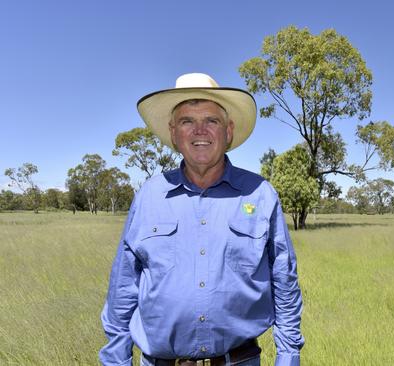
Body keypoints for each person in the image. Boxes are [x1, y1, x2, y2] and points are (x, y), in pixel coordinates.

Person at [99, 73, 304, 366]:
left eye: (211, 120)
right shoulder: (149, 196)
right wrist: (116, 361)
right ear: (173, 132)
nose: (200, 131)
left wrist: (288, 358)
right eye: (187, 121)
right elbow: (123, 288)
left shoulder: (260, 195)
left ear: (228, 130)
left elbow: (284, 282)